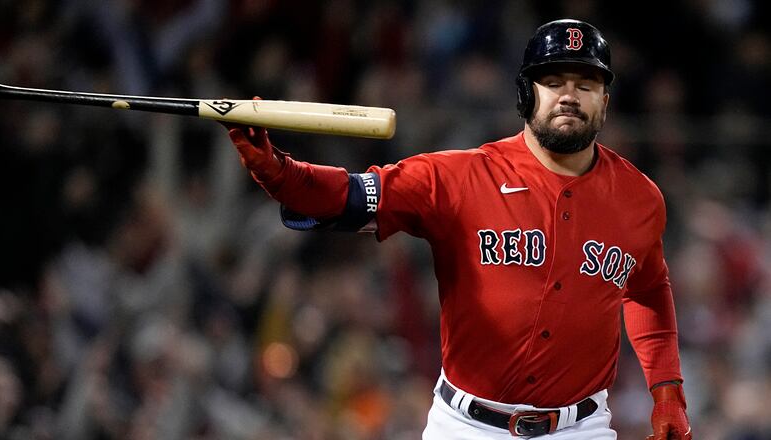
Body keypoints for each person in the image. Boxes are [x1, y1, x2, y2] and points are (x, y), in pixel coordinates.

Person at [224, 19, 692, 440]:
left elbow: (648, 289)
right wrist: (276, 171)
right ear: (526, 93)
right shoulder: (460, 178)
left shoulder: (640, 199)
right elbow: (344, 197)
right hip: (466, 426)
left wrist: (667, 389)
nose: (569, 94)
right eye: (552, 81)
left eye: (585, 83)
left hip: (580, 427)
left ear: (605, 101)